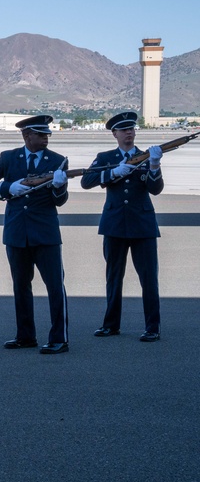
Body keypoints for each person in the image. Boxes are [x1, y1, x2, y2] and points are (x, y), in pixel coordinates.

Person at [0, 115, 71, 354]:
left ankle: (59, 338)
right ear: (26, 135)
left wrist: (59, 187)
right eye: (40, 134)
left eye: (47, 134)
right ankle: (25, 335)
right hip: (17, 232)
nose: (45, 138)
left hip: (45, 233)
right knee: (21, 286)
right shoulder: (9, 158)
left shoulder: (58, 161)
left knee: (55, 287)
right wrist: (7, 188)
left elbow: (59, 202)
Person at [80, 111, 164, 342]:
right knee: (114, 277)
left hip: (142, 225)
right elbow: (86, 181)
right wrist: (112, 172)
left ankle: (152, 327)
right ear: (114, 134)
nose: (129, 133)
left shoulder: (146, 156)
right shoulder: (105, 157)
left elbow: (155, 189)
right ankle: (111, 325)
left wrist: (154, 165)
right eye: (124, 130)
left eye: (132, 129)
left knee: (149, 279)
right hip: (115, 224)